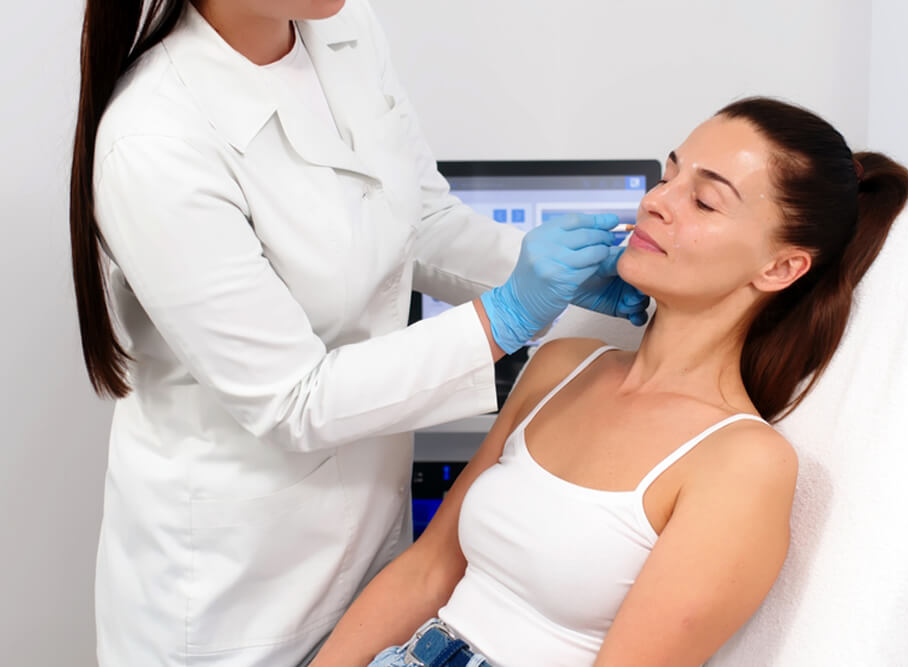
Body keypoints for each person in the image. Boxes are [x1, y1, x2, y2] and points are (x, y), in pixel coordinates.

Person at [68, 0, 648, 664]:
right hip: (237, 590)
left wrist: (563, 288)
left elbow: (416, 223)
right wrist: (507, 316)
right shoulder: (155, 139)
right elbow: (292, 399)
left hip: (375, 547)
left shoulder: (342, 26)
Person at [310, 97, 908, 666]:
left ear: (781, 266)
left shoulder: (741, 461)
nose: (657, 201)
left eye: (704, 202)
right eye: (668, 174)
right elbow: (428, 569)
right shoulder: (563, 364)